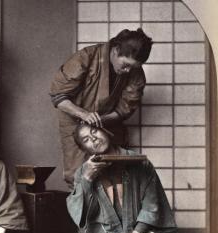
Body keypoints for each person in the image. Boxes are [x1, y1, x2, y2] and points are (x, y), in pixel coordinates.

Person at [49, 28, 153, 188]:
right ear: (115, 50)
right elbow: (58, 97)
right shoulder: (86, 57)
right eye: (125, 65)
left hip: (107, 123)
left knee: (114, 174)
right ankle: (82, 210)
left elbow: (125, 109)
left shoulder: (135, 73)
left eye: (133, 67)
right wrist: (84, 115)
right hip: (75, 121)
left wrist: (100, 120)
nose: (128, 71)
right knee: (79, 175)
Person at [67, 123, 178, 233]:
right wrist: (87, 180)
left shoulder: (140, 163)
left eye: (94, 131)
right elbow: (81, 215)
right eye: (86, 139)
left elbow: (151, 206)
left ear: (105, 130)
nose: (93, 139)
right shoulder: (83, 172)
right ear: (84, 149)